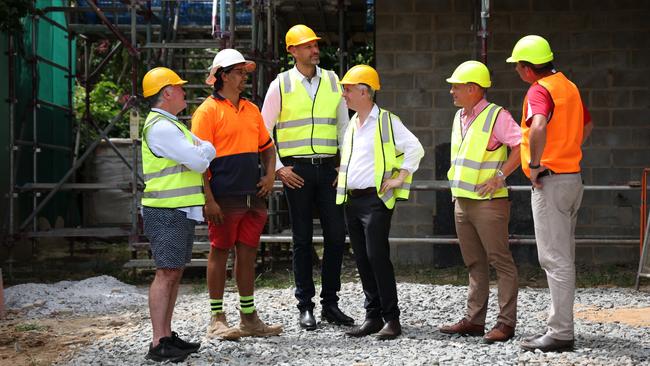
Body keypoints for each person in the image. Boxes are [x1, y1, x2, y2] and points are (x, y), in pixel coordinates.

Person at [261, 24, 353, 330]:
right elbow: (263, 130)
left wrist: (345, 166)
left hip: (329, 170)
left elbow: (344, 127)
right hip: (296, 172)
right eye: (307, 46)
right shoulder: (281, 84)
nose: (315, 50)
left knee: (337, 237)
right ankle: (305, 306)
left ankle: (331, 304)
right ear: (292, 51)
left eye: (315, 45)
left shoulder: (332, 80)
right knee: (301, 240)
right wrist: (278, 169)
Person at [507, 35, 593, 352]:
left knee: (554, 259)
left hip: (551, 181)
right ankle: (560, 327)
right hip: (571, 178)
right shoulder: (568, 86)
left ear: (529, 69)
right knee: (563, 256)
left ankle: (560, 332)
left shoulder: (538, 90)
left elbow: (539, 125)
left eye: (518, 66)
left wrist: (534, 164)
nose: (517, 71)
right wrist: (568, 150)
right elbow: (588, 124)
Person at [191, 49, 282, 339]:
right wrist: (209, 199)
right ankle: (216, 318)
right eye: (240, 72)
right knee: (219, 251)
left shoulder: (252, 109)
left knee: (247, 253)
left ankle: (248, 318)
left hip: (252, 196)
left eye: (245, 72)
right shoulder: (206, 111)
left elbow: (267, 147)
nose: (244, 77)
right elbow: (198, 161)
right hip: (223, 197)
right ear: (224, 76)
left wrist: (269, 175)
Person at [335, 65, 424, 340]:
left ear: (364, 91)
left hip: (375, 201)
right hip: (353, 200)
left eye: (348, 89)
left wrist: (400, 178)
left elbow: (415, 148)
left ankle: (392, 319)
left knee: (377, 257)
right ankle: (373, 317)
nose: (344, 94)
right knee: (362, 258)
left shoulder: (386, 121)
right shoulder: (352, 124)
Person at [439, 61, 521, 344]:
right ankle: (474, 321)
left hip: (489, 203)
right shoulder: (459, 117)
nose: (452, 91)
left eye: (456, 87)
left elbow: (522, 145)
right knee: (474, 262)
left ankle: (506, 324)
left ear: (473, 89)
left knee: (501, 261)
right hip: (462, 201)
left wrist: (500, 176)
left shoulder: (496, 116)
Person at [141, 67, 215, 362]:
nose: (185, 91)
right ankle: (159, 342)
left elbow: (203, 151)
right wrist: (204, 150)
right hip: (166, 210)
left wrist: (202, 150)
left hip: (177, 210)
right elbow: (199, 160)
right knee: (167, 273)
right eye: (180, 87)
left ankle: (166, 337)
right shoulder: (160, 127)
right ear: (167, 92)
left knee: (174, 272)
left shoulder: (171, 125)